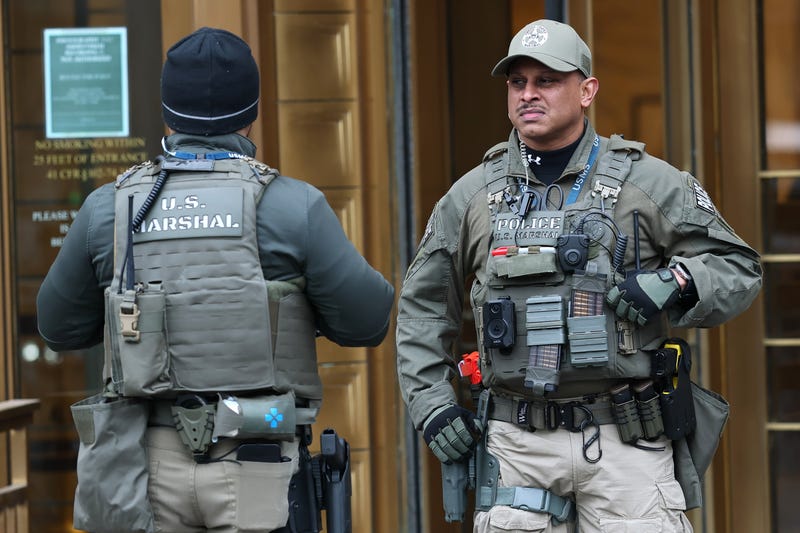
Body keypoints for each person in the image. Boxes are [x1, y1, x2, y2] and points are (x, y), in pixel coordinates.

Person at [396, 19, 762, 532]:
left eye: (547, 80)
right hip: (516, 444)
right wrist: (432, 406)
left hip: (625, 441)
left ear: (587, 90)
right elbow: (422, 309)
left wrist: (675, 283)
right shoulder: (471, 197)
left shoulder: (647, 182)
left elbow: (738, 267)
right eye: (517, 82)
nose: (529, 94)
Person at [37, 27, 394, 533]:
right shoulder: (294, 205)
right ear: (252, 112)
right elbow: (368, 320)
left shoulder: (110, 208)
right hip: (258, 462)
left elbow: (57, 328)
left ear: (167, 111)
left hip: (144, 470)